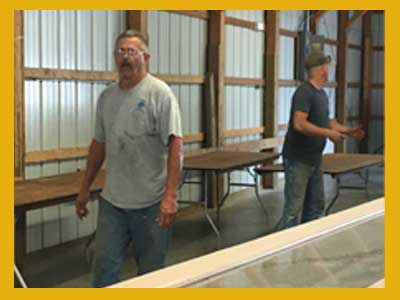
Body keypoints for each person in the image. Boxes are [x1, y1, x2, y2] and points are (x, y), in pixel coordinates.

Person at [74, 30, 183, 287]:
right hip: (113, 203)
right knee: (104, 272)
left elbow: (176, 145)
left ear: (145, 57)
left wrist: (170, 196)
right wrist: (84, 189)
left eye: (131, 51)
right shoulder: (107, 97)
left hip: (151, 204)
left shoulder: (160, 94)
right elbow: (99, 145)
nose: (125, 57)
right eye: (120, 51)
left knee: (151, 276)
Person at [276, 50, 365, 231]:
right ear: (320, 69)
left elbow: (329, 122)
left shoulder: (322, 95)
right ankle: (278, 252)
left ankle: (306, 247)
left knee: (315, 207)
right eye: (327, 66)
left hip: (314, 159)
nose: (328, 70)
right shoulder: (304, 93)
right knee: (293, 210)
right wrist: (327, 134)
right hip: (298, 160)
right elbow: (299, 124)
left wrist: (348, 131)